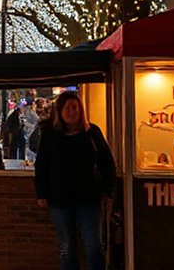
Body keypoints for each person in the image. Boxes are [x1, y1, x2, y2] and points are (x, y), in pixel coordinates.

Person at [34, 90, 116, 270]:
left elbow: (107, 162)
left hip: (89, 198)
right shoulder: (51, 134)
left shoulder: (92, 132)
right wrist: (41, 193)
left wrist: (107, 189)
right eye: (68, 108)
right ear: (60, 112)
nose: (72, 112)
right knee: (67, 248)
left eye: (75, 108)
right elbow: (42, 165)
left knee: (94, 246)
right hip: (60, 199)